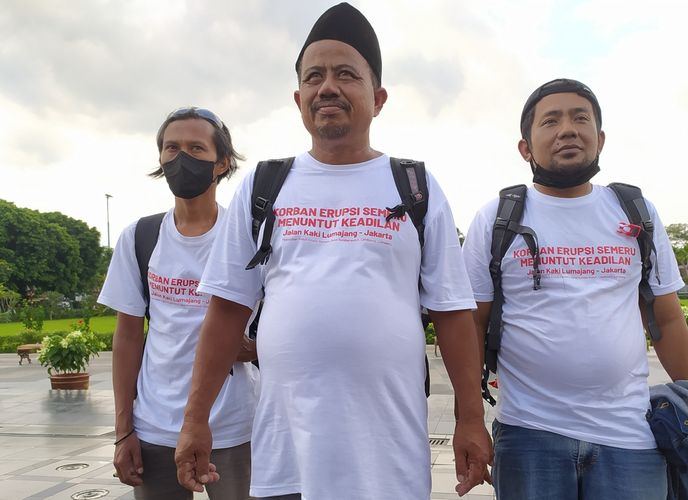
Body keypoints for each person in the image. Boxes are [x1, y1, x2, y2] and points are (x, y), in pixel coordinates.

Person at [174, 3, 492, 499]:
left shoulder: (414, 185)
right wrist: (195, 420)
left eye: (346, 74)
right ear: (298, 96)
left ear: (378, 97)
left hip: (388, 457)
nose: (328, 87)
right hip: (287, 455)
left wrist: (470, 420)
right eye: (314, 76)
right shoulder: (265, 185)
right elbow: (226, 310)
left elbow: (452, 313)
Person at [462, 78, 688, 499]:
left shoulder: (637, 213)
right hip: (527, 434)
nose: (568, 130)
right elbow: (469, 325)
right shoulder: (496, 219)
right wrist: (467, 419)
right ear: (526, 148)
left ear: (600, 138)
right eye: (550, 121)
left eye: (580, 119)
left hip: (630, 437)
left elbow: (666, 317)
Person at [98, 107, 258, 500]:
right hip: (155, 426)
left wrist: (256, 348)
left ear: (221, 163)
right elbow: (128, 338)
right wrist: (124, 430)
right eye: (172, 148)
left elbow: (280, 321)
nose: (181, 159)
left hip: (235, 427)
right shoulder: (140, 237)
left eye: (195, 148)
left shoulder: (248, 239)